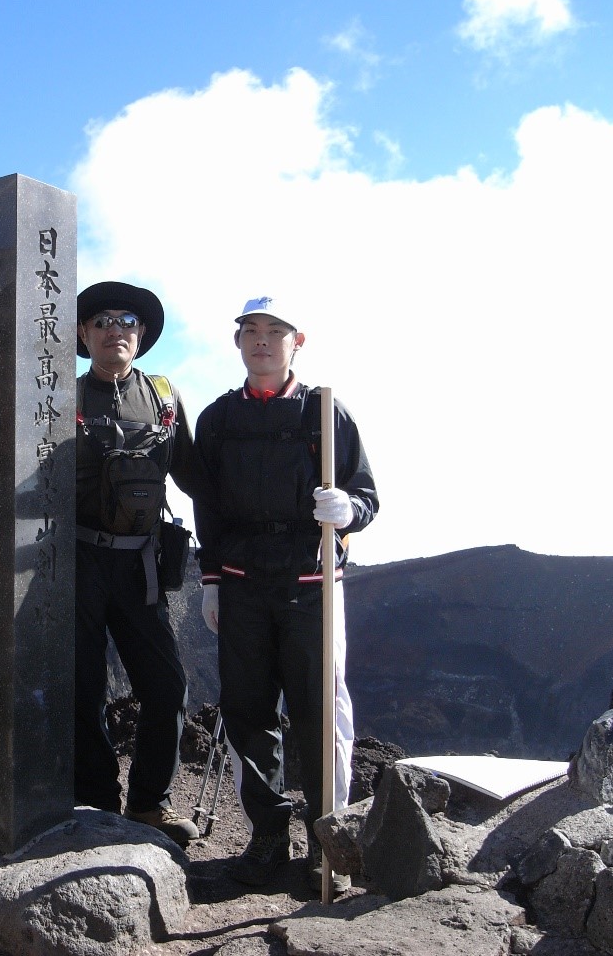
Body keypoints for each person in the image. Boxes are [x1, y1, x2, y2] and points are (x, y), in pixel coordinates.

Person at [191, 296, 378, 890]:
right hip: (243, 586)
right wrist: (212, 580)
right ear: (237, 340)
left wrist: (348, 511)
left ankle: (330, 840)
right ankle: (268, 836)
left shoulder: (325, 414)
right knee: (249, 713)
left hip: (312, 586)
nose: (263, 340)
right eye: (252, 330)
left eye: (277, 331)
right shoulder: (218, 419)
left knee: (319, 713)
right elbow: (209, 507)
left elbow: (368, 495)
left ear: (300, 341)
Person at [73, 280, 201, 847]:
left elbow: (197, 480)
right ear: (83, 334)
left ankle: (150, 804)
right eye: (101, 321)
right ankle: (95, 801)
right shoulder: (60, 397)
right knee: (83, 689)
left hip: (141, 566)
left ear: (141, 334)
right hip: (75, 562)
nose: (114, 330)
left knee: (166, 685)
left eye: (126, 321)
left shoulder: (165, 398)